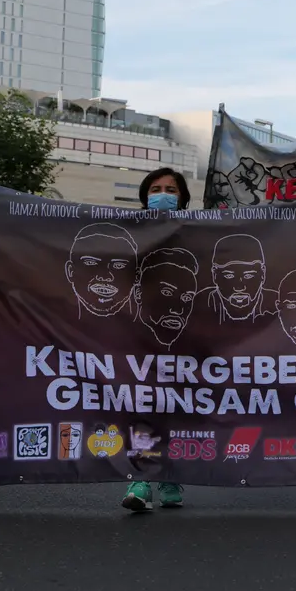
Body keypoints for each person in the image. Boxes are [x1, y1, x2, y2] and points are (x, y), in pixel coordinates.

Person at [121, 167, 192, 514]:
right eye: (156, 188)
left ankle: (169, 475)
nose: (163, 194)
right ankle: (140, 479)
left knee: (175, 405)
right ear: (144, 196)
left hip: (185, 334)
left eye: (171, 189)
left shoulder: (197, 231)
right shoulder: (129, 232)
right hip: (140, 332)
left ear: (183, 198)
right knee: (143, 402)